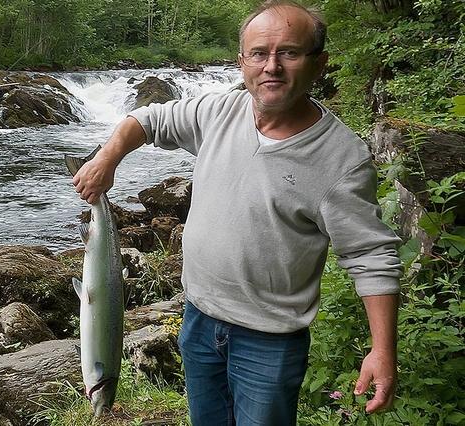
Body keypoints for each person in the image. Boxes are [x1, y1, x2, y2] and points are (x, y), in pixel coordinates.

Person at [71, 1, 401, 425]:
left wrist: (382, 350)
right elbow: (148, 119)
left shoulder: (341, 161)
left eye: (290, 52)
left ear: (319, 65)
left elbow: (371, 257)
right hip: (197, 319)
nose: (272, 67)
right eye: (260, 53)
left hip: (269, 342)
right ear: (242, 62)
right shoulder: (219, 111)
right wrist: (107, 158)